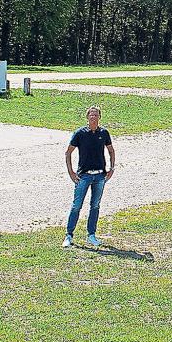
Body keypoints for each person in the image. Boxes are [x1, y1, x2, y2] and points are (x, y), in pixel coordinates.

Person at [64, 105, 116, 248]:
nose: (93, 117)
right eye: (91, 115)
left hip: (100, 176)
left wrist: (112, 168)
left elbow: (111, 150)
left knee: (95, 206)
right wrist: (71, 172)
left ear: (99, 117)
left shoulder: (104, 133)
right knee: (76, 206)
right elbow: (68, 152)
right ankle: (69, 235)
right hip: (84, 176)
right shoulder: (80, 133)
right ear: (87, 117)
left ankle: (91, 235)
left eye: (96, 115)